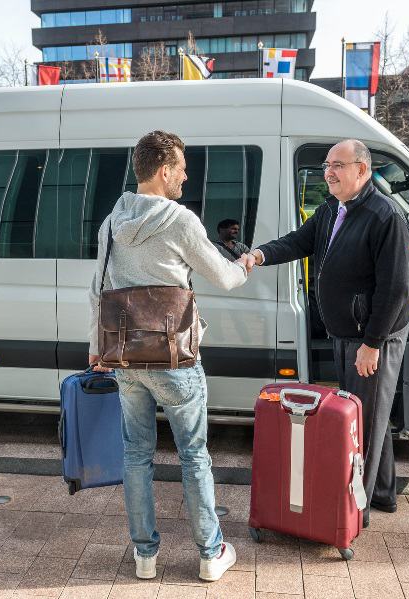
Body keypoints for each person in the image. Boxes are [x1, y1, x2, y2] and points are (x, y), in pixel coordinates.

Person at [88, 131, 251, 582]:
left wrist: (96, 348)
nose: (185, 175)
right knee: (194, 455)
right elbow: (224, 277)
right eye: (180, 168)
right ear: (163, 171)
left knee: (136, 454)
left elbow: (96, 291)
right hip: (174, 358)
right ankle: (209, 554)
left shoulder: (111, 222)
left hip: (125, 357)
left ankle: (144, 556)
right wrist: (246, 262)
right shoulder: (181, 221)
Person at [245, 139, 409, 528]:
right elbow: (299, 241)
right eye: (326, 165)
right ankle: (383, 493)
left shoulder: (384, 216)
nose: (329, 173)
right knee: (370, 414)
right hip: (344, 332)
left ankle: (356, 511)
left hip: (372, 337)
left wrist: (371, 344)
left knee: (361, 424)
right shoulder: (332, 208)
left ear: (362, 170)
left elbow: (395, 289)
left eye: (338, 165)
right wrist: (259, 255)